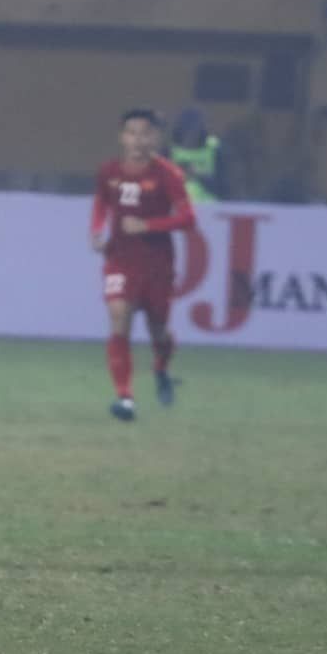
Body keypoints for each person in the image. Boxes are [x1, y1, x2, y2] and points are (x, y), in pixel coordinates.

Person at [91, 108, 195, 421]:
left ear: (155, 137)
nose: (138, 139)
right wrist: (97, 231)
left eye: (145, 133)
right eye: (132, 133)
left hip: (157, 264)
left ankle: (161, 367)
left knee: (158, 331)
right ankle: (125, 397)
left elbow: (188, 218)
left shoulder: (168, 175)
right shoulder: (108, 171)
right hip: (120, 259)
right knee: (119, 316)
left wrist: (148, 226)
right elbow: (101, 205)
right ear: (122, 137)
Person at [167, 107, 227, 204]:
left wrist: (197, 175)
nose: (191, 133)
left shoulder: (215, 149)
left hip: (208, 210)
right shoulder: (169, 152)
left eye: (195, 128)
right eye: (187, 127)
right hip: (178, 210)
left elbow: (224, 187)